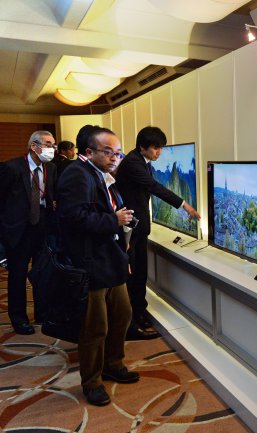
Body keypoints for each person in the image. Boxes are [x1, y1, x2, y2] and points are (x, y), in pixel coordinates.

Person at [56, 127, 139, 406]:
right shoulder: (76, 174)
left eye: (118, 153)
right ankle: (92, 382)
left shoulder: (101, 174)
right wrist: (114, 221)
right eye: (108, 152)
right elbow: (73, 218)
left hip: (112, 260)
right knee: (95, 328)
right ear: (89, 152)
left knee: (122, 316)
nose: (115, 158)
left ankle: (113, 365)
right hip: (91, 264)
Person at [115, 126, 200, 339]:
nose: (159, 152)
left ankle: (139, 312)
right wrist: (184, 205)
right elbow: (154, 187)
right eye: (155, 148)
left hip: (137, 227)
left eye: (161, 148)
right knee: (134, 274)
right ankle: (132, 321)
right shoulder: (133, 163)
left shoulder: (140, 160)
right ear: (142, 147)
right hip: (131, 229)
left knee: (140, 272)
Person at [0, 131, 57, 334]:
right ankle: (19, 318)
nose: (52, 149)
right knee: (18, 275)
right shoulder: (11, 168)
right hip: (18, 230)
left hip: (42, 228)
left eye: (54, 145)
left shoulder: (51, 168)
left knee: (42, 273)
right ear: (34, 146)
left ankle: (43, 312)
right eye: (48, 144)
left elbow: (49, 196)